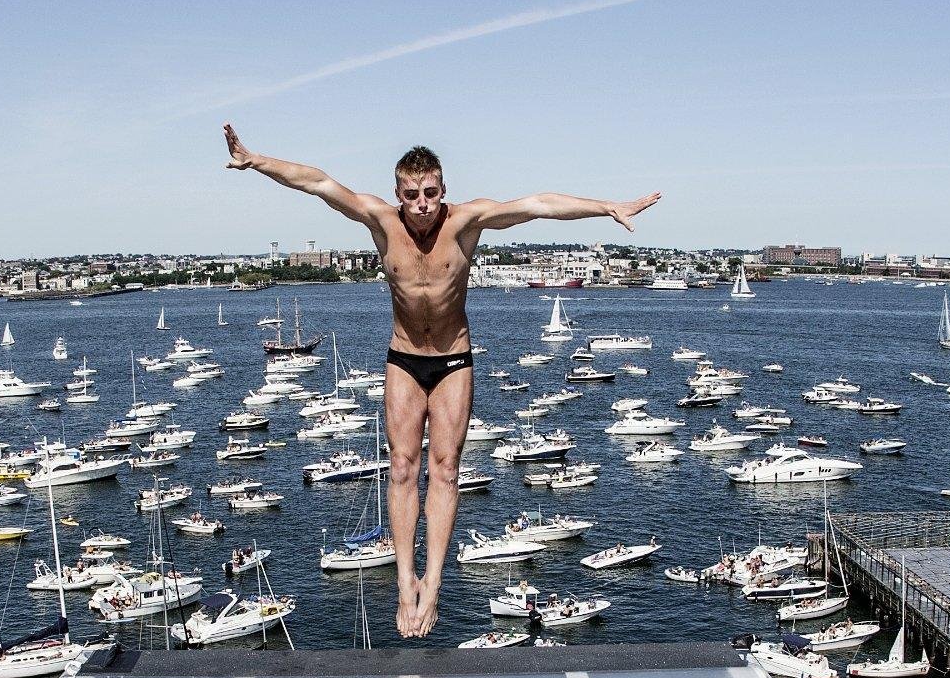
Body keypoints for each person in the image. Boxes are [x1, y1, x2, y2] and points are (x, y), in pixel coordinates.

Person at [221, 126, 658, 634]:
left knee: (446, 470)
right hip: (404, 360)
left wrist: (607, 207)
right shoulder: (382, 223)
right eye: (412, 195)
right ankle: (405, 580)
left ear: (442, 190)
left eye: (431, 193)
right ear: (398, 193)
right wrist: (255, 160)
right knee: (403, 469)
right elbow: (319, 183)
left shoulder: (466, 223)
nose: (423, 205)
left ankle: (433, 582)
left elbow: (538, 203)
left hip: (453, 360)